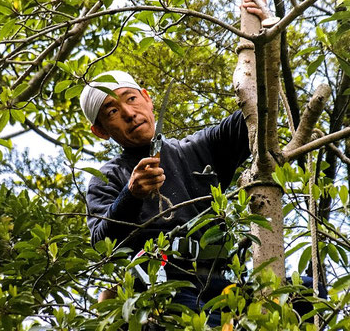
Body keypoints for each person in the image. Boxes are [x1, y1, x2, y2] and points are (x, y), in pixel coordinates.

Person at [79, 70, 250, 327]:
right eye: (112, 112)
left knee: (304, 292)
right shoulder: (107, 179)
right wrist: (130, 195)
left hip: (223, 284)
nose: (128, 113)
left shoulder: (199, 148)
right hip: (162, 291)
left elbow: (254, 115)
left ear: (148, 99)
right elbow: (102, 241)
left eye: (131, 99)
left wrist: (265, 52)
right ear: (101, 131)